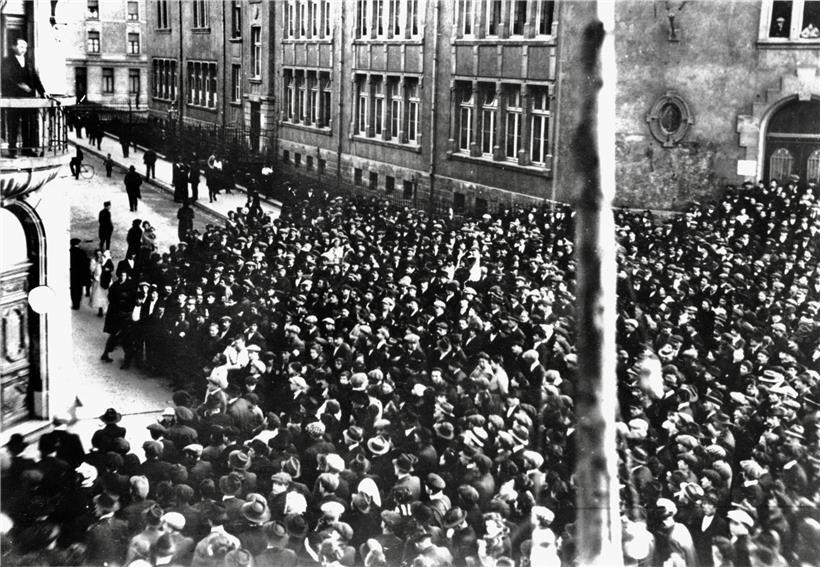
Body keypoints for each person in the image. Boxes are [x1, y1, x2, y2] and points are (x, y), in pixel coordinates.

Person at [1, 38, 48, 158]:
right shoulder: (7, 61)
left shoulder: (28, 61)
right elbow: (6, 78)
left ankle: (27, 149)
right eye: (21, 46)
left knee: (28, 123)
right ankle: (13, 150)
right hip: (14, 98)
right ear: (14, 47)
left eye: (25, 47)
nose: (24, 50)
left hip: (29, 99)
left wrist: (43, 92)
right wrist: (20, 86)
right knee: (13, 124)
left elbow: (35, 78)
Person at [69, 238, 90, 310]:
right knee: (79, 289)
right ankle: (78, 303)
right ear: (78, 244)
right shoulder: (82, 252)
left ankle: (75, 303)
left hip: (72, 273)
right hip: (80, 274)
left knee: (73, 289)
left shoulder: (70, 252)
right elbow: (86, 264)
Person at [89, 250, 110, 317]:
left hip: (105, 280)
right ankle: (100, 311)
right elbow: (92, 269)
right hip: (97, 280)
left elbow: (110, 267)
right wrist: (97, 263)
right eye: (97, 254)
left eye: (100, 254)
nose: (99, 255)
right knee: (98, 296)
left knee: (106, 295)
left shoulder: (105, 259)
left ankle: (106, 311)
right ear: (95, 255)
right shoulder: (93, 261)